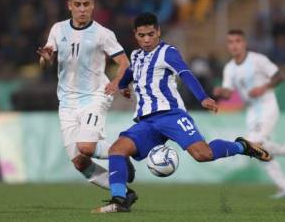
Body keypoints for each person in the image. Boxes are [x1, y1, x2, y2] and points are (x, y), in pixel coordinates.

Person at [92, 12, 271, 213]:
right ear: (136, 34)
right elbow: (131, 72)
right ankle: (121, 199)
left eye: (151, 34)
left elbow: (185, 73)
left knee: (203, 154)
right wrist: (124, 85)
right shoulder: (136, 55)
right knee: (117, 149)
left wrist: (202, 97)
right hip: (147, 122)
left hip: (171, 115)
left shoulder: (168, 52)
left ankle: (243, 146)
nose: (147, 39)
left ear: (158, 31)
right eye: (142, 35)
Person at [37, 0, 136, 203]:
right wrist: (45, 59)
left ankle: (119, 153)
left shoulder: (103, 33)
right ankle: (123, 192)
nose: (82, 9)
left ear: (93, 6)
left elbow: (124, 62)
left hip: (94, 96)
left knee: (86, 147)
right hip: (67, 102)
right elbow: (45, 63)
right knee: (79, 162)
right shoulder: (57, 29)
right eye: (78, 4)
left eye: (86, 4)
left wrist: (119, 81)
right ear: (69, 5)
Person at [213, 29, 285, 198]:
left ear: (244, 43)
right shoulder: (229, 68)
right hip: (252, 111)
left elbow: (279, 75)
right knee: (258, 150)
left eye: (237, 41)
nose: (234, 45)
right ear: (228, 46)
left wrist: (263, 87)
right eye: (230, 42)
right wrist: (221, 91)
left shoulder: (257, 60)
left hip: (267, 105)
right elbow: (229, 93)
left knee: (254, 143)